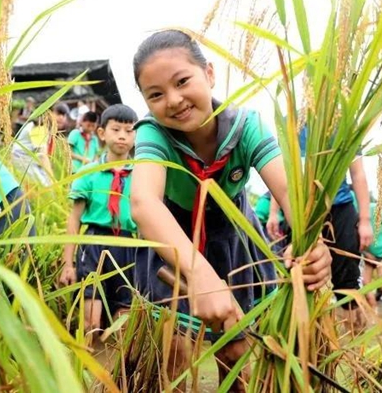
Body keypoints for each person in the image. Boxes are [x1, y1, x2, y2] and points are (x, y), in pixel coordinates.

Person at [129, 29, 332, 391]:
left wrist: (312, 242)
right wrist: (199, 274)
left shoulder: (245, 126)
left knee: (235, 352)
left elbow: (289, 189)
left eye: (182, 81)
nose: (173, 101)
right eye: (156, 95)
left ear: (209, 74)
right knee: (170, 353)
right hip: (172, 238)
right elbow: (144, 203)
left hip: (231, 236)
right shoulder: (153, 134)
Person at [59, 104, 139, 341]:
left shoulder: (142, 175)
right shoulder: (89, 172)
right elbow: (74, 219)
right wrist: (68, 263)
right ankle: (86, 371)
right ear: (102, 133)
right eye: (116, 129)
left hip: (127, 246)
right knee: (91, 320)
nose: (122, 136)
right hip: (93, 243)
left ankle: (118, 376)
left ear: (136, 136)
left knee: (124, 317)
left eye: (129, 130)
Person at [268, 157, 374, 331]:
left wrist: (365, 220)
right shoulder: (290, 128)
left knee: (348, 279)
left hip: (339, 207)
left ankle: (354, 343)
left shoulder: (344, 128)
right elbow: (280, 172)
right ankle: (303, 342)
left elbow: (358, 173)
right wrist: (274, 212)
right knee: (298, 272)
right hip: (298, 208)